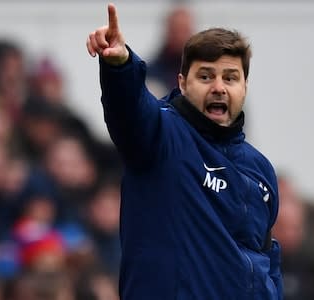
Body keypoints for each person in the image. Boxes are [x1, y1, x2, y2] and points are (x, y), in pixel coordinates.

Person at [86, 3, 282, 299]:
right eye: (205, 77)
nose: (218, 87)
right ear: (182, 83)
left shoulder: (261, 169)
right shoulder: (161, 135)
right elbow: (128, 109)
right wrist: (120, 66)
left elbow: (267, 263)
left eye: (230, 78)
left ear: (245, 86)